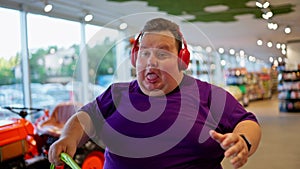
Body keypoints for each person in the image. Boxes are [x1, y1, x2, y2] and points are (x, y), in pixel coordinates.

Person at [48, 18, 261, 169]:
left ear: (182, 59)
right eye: (145, 53)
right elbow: (85, 118)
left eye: (162, 53)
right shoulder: (117, 94)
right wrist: (68, 138)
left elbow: (247, 122)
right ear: (135, 58)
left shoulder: (208, 95)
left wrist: (243, 140)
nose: (151, 60)